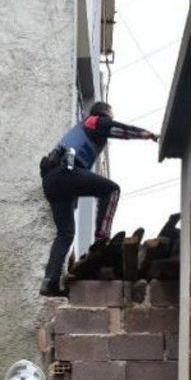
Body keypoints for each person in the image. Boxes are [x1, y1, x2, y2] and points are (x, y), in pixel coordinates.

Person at [39, 101, 159, 296]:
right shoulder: (95, 121)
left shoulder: (80, 129)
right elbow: (118, 130)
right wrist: (147, 135)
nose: (108, 121)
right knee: (111, 190)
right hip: (65, 173)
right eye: (108, 116)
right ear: (104, 114)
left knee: (65, 234)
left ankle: (49, 282)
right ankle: (101, 240)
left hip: (52, 181)